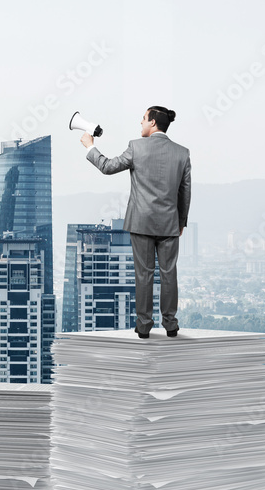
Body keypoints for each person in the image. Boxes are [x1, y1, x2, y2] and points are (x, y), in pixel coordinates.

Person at [80, 106, 191, 339]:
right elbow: (185, 192)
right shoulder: (182, 153)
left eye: (143, 119)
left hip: (141, 222)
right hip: (170, 223)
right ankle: (171, 324)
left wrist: (90, 146)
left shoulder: (136, 147)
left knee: (144, 274)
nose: (140, 123)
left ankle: (144, 326)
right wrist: (181, 222)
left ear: (152, 123)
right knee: (169, 273)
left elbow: (108, 167)